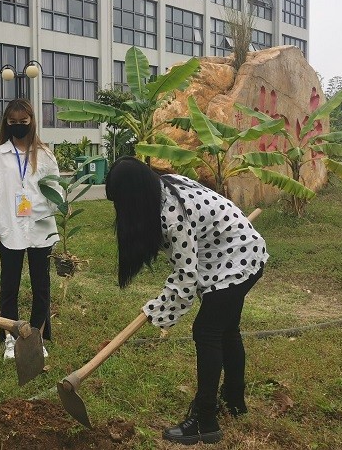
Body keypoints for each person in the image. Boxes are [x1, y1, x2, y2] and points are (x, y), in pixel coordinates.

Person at [105, 157, 266, 445]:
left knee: (207, 331)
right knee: (227, 330)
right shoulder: (162, 188)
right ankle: (234, 402)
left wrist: (157, 310)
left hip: (237, 259)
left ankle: (205, 421)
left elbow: (186, 277)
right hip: (233, 250)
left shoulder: (172, 214)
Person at [0, 98, 60, 360]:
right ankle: (10, 337)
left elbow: (55, 187)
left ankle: (37, 337)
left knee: (41, 286)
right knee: (9, 286)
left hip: (41, 227)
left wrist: (61, 209)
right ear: (6, 123)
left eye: (23, 122)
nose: (18, 125)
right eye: (13, 122)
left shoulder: (45, 155)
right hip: (10, 227)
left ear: (32, 122)